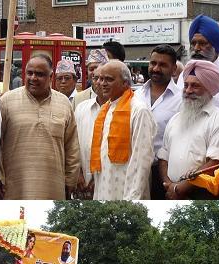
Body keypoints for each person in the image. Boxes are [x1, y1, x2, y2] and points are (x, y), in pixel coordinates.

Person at [0, 54, 80, 199]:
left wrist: (70, 180)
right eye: (29, 73)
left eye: (39, 74)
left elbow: (72, 146)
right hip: (14, 187)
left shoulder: (64, 103)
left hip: (54, 187)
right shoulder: (6, 101)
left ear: (51, 77)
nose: (33, 78)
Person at [158, 60, 219, 200]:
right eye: (186, 85)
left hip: (203, 196)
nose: (188, 91)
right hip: (170, 192)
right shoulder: (175, 119)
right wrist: (169, 185)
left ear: (209, 89)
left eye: (195, 86)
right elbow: (163, 157)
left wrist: (179, 188)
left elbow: (216, 164)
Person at [91, 60, 157, 200]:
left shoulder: (139, 110)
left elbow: (142, 158)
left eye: (109, 79)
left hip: (127, 192)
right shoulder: (106, 109)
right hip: (103, 188)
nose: (102, 83)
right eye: (101, 79)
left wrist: (132, 197)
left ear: (125, 83)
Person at [135, 44, 182, 200]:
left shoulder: (182, 100)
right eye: (153, 63)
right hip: (135, 169)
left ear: (174, 69)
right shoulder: (135, 95)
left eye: (162, 65)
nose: (155, 68)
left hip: (164, 173)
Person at [177, 15, 219, 111]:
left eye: (202, 43)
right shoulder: (184, 75)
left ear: (215, 46)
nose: (196, 48)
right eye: (193, 43)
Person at [74, 63, 109, 199]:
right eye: (95, 78)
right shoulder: (82, 108)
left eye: (105, 78)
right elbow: (72, 144)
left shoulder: (122, 110)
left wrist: (99, 180)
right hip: (82, 182)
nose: (100, 83)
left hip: (108, 183)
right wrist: (77, 174)